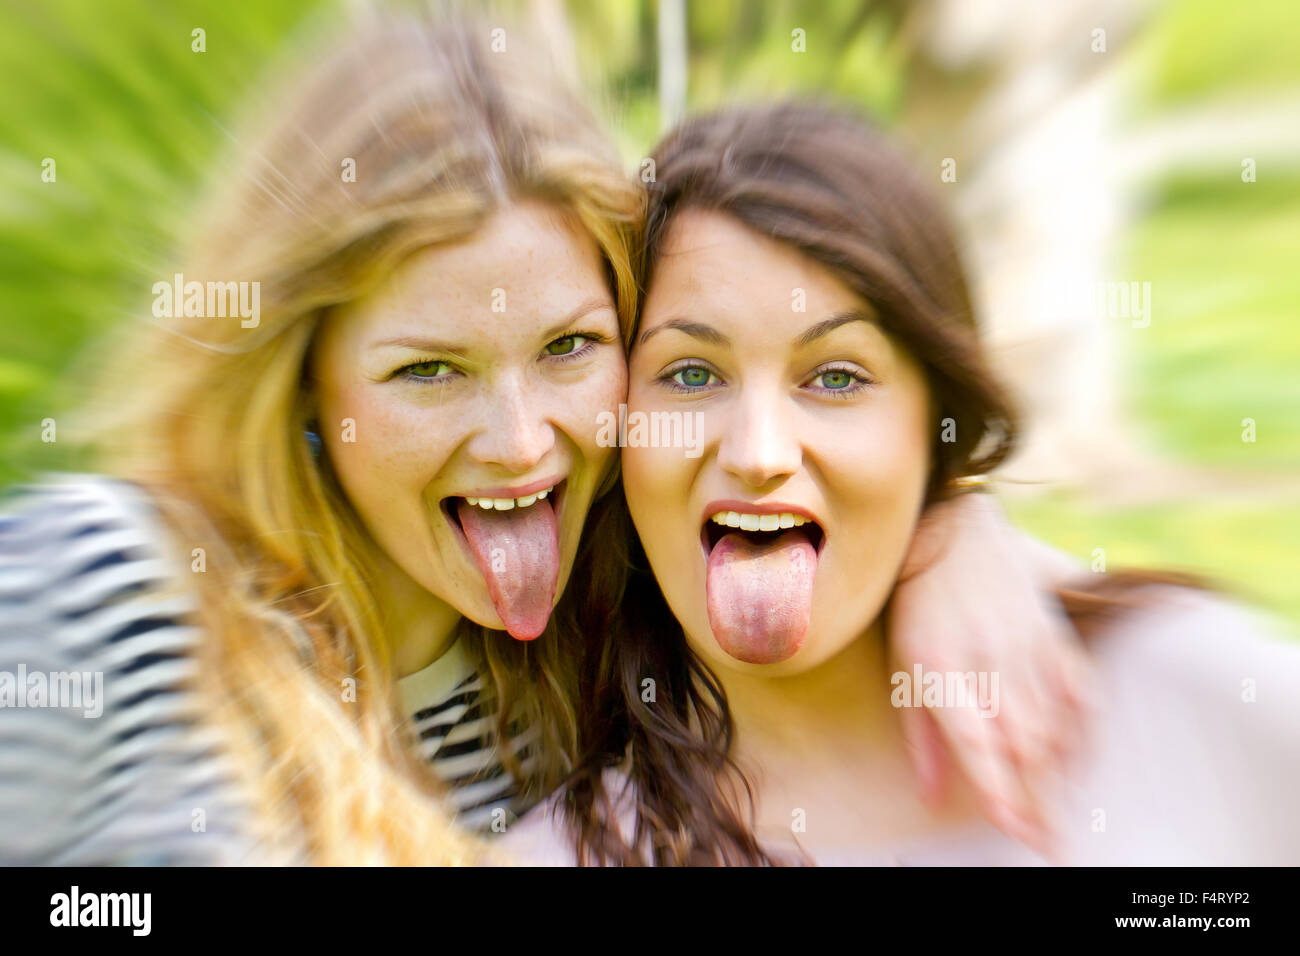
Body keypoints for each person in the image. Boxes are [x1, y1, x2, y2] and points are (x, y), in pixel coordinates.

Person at [0, 16, 1084, 865]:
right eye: (430, 369)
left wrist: (950, 528)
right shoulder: (109, 594)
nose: (521, 444)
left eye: (569, 346)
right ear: (300, 384)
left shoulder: (610, 640)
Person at [499, 102, 1300, 866]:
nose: (759, 453)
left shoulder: (1204, 695)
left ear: (934, 426)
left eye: (837, 378)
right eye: (693, 373)